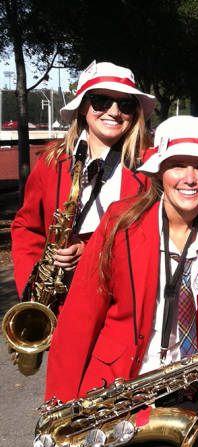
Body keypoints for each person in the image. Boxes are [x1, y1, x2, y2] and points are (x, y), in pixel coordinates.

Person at [45, 116, 198, 447]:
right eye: (177, 165)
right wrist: (60, 408)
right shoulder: (120, 221)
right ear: (158, 171)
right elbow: (80, 318)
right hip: (118, 391)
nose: (189, 178)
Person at [11, 61, 154, 295]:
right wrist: (32, 284)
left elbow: (151, 238)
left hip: (115, 297)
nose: (114, 112)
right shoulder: (51, 161)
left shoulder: (149, 166)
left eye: (125, 104)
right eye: (101, 101)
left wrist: (91, 251)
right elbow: (26, 227)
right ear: (82, 106)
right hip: (55, 299)